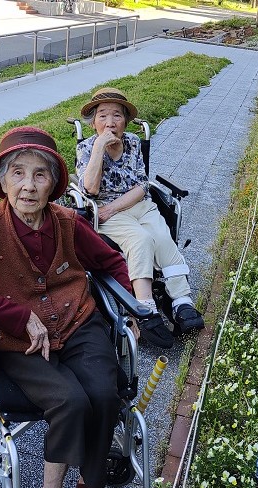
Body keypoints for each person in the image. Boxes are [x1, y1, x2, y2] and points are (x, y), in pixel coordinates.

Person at [0, 126, 133, 488]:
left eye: (40, 175)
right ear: (3, 180)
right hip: (19, 341)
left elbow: (111, 261)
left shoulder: (67, 221)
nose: (28, 186)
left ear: (53, 184)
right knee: (70, 400)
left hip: (78, 323)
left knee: (106, 392)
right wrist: (19, 314)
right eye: (18, 173)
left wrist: (130, 308)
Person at [76, 87, 204, 349]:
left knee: (162, 238)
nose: (110, 122)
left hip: (135, 205)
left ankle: (182, 302)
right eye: (102, 116)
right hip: (104, 209)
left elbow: (142, 186)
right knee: (141, 239)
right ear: (93, 123)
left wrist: (115, 208)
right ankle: (145, 309)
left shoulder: (133, 142)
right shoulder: (88, 148)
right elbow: (89, 189)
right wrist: (100, 147)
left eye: (117, 116)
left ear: (125, 120)